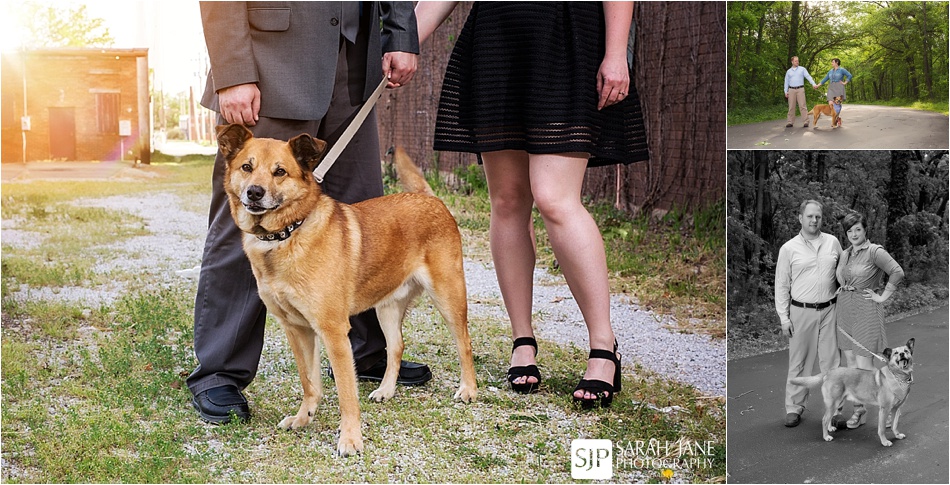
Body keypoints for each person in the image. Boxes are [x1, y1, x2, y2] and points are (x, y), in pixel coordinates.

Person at [188, 1, 431, 425]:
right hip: (272, 62)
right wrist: (233, 70)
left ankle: (367, 353)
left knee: (361, 215)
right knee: (252, 216)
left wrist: (401, 34)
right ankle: (221, 372)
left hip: (354, 60)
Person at [415, 2, 649, 408]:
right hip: (497, 40)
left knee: (555, 198)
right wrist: (403, 42)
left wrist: (615, 53)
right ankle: (522, 340)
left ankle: (603, 346)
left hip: (566, 37)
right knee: (507, 201)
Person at [775, 199, 842, 427]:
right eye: (810, 216)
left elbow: (843, 271)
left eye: (818, 217)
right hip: (801, 311)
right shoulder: (789, 248)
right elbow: (782, 285)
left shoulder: (832, 242)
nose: (814, 220)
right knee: (799, 362)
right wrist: (784, 318)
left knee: (832, 362)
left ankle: (835, 409)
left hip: (829, 310)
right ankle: (794, 407)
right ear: (800, 218)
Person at [834, 212, 904, 428]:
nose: (854, 234)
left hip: (866, 311)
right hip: (845, 310)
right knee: (851, 364)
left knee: (865, 364)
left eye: (858, 229)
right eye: (850, 230)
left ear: (865, 230)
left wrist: (882, 296)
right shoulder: (845, 254)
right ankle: (859, 410)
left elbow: (897, 272)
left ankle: (888, 405)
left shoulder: (874, 251)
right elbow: (842, 277)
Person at [815, 58, 852, 127]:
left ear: (837, 62)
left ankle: (836, 119)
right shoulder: (830, 71)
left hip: (839, 87)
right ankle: (836, 119)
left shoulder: (842, 70)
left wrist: (845, 82)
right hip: (831, 88)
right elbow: (825, 79)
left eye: (832, 62)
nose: (831, 63)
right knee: (831, 103)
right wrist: (817, 85)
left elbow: (849, 75)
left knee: (837, 104)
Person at [783, 56, 818, 128]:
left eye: (798, 61)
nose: (797, 62)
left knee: (802, 106)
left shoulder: (802, 69)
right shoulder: (788, 71)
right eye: (795, 61)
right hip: (791, 90)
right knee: (791, 106)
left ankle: (806, 121)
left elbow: (808, 77)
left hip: (800, 89)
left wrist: (813, 84)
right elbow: (786, 82)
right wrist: (785, 91)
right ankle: (790, 122)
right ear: (792, 62)